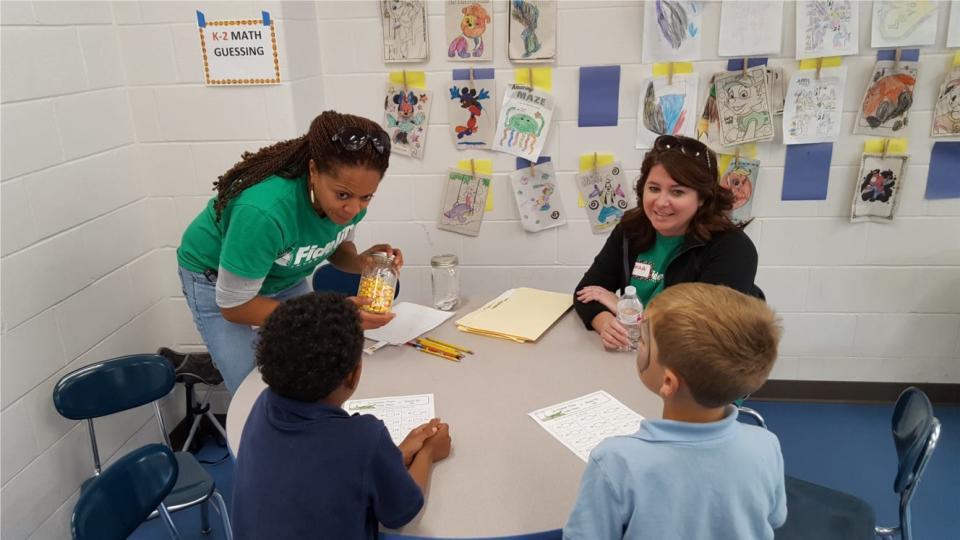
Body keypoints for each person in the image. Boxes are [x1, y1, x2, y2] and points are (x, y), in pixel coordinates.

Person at [176, 111, 403, 393]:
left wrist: (360, 261)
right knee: (252, 386)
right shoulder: (263, 212)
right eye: (343, 195)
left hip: (282, 271)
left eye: (366, 197)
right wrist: (333, 317)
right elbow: (234, 307)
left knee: (314, 365)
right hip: (218, 281)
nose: (354, 209)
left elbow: (333, 244)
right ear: (312, 172)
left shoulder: (350, 197)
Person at [564, 283, 786, 540]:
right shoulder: (766, 444)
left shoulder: (615, 460)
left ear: (668, 383)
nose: (639, 345)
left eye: (643, 341)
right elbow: (775, 517)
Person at [232, 293, 451, 539]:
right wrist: (428, 453)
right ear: (354, 374)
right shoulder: (364, 437)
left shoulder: (264, 404)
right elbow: (401, 510)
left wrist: (395, 456)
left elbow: (320, 471)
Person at [574, 134, 762, 351]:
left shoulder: (733, 249)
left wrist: (623, 309)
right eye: (654, 188)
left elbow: (702, 334)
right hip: (641, 353)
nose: (661, 202)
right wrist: (606, 323)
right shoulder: (631, 230)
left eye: (677, 192)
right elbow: (586, 292)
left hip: (697, 369)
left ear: (702, 198)